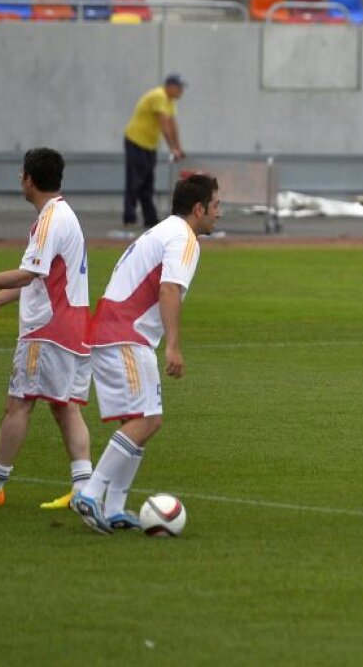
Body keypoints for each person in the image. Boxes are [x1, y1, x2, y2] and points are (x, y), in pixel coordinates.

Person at [0, 148, 93, 511]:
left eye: (21, 174)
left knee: (18, 405)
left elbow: (29, 273)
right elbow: (40, 275)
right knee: (66, 408)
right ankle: (86, 489)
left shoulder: (49, 220)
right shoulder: (62, 214)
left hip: (48, 329)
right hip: (74, 326)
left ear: (29, 178)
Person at [70, 173, 220, 534]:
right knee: (147, 421)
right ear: (198, 209)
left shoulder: (162, 229)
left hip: (116, 331)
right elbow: (169, 288)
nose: (220, 213)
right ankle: (90, 494)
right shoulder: (184, 239)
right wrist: (172, 345)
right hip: (126, 335)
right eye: (216, 206)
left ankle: (116, 506)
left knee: (142, 419)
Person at [123, 74, 187, 229]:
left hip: (149, 145)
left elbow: (173, 125)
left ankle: (150, 219)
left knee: (148, 181)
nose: (181, 91)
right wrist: (173, 148)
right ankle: (129, 217)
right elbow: (164, 125)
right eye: (179, 88)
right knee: (135, 180)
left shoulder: (169, 101)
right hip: (136, 141)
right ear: (170, 86)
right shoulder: (159, 96)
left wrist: (179, 148)